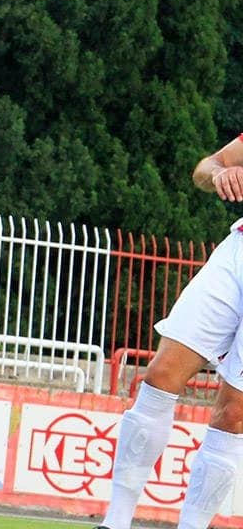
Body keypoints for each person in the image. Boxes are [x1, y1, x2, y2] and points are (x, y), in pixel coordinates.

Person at [94, 134, 243, 529]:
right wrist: (221, 173)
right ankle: (115, 521)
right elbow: (203, 168)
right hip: (237, 254)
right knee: (160, 376)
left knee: (234, 413)